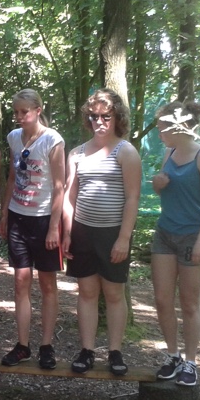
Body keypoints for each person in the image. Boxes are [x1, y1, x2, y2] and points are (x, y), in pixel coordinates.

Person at [61, 88, 142, 376]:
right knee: (86, 292)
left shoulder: (126, 152)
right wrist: (67, 233)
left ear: (117, 117)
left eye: (105, 116)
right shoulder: (77, 153)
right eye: (94, 116)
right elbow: (69, 196)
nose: (99, 121)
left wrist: (124, 238)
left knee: (114, 293)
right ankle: (87, 351)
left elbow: (132, 198)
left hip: (113, 234)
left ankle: (115, 352)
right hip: (83, 232)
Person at [150, 101, 200, 387]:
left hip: (193, 236)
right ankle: (173, 355)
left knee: (189, 303)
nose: (159, 133)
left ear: (179, 127)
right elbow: (162, 187)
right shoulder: (169, 153)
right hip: (165, 233)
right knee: (162, 299)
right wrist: (158, 184)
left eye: (163, 128)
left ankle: (191, 362)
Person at [0, 89, 66, 369]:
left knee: (47, 284)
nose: (19, 116)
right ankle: (23, 345)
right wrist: (4, 214)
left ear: (38, 110)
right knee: (20, 281)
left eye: (24, 111)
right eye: (16, 112)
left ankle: (46, 346)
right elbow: (13, 176)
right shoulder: (14, 137)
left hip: (43, 218)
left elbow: (60, 186)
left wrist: (54, 228)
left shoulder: (53, 140)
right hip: (18, 217)